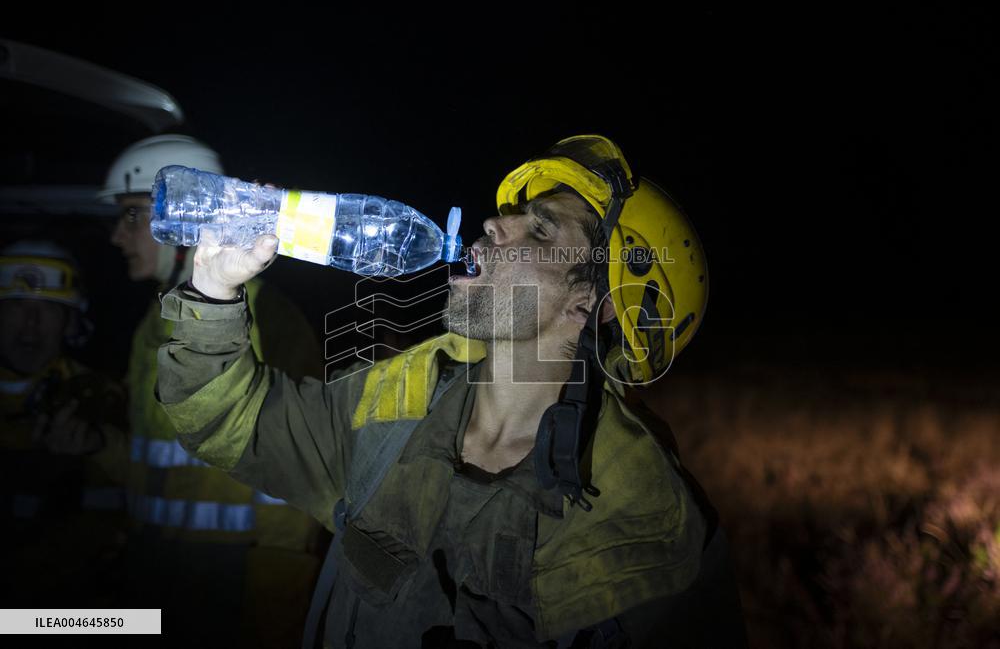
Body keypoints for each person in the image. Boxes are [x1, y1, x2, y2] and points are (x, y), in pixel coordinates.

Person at [156, 135, 748, 647]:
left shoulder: (647, 524)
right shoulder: (394, 405)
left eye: (539, 229)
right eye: (514, 213)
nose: (496, 221)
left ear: (588, 305)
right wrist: (212, 292)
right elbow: (232, 423)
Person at [102, 134, 327, 647]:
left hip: (236, 581)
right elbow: (155, 461)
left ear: (185, 219)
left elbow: (302, 460)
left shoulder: (269, 319)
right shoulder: (149, 325)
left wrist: (276, 594)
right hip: (158, 572)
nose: (118, 235)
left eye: (133, 215)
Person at [0, 240, 129, 608]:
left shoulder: (104, 398)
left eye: (49, 310)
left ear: (72, 322)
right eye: (16, 306)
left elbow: (156, 482)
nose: (31, 325)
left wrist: (98, 445)